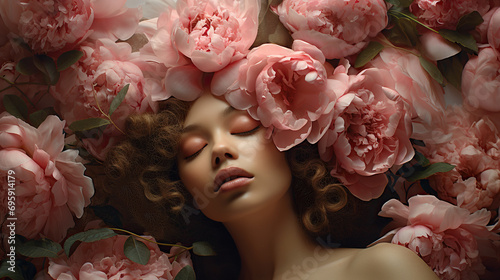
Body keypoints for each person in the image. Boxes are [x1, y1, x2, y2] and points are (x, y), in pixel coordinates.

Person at [104, 90, 440, 280]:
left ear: (292, 146)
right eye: (194, 149)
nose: (220, 150)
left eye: (243, 129)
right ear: (177, 185)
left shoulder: (382, 271)